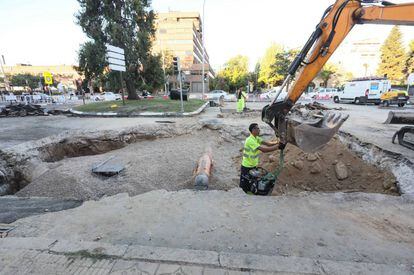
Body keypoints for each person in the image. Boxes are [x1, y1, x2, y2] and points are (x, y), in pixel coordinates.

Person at [239, 123, 285, 194]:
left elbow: (268, 144)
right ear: (253, 130)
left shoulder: (256, 138)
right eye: (257, 128)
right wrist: (278, 147)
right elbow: (264, 150)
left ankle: (251, 196)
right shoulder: (250, 140)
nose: (259, 130)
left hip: (253, 166)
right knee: (244, 186)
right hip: (246, 166)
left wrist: (278, 143)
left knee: (252, 183)